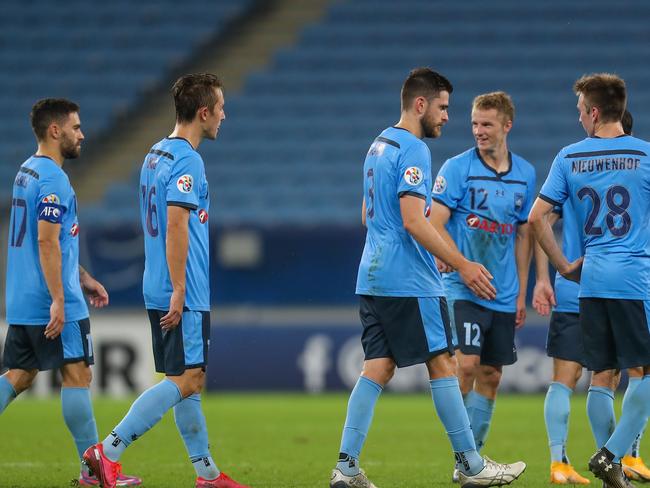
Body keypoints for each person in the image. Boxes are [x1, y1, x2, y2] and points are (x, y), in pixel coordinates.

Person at [330, 67, 526, 488]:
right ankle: (471, 465)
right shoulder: (414, 149)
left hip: (371, 275)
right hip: (409, 281)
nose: (446, 117)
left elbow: (368, 214)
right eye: (442, 107)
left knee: (378, 367)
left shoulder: (378, 145)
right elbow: (414, 222)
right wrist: (462, 263)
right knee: (443, 363)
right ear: (420, 105)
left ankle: (346, 467)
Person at [83, 74, 248, 488]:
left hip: (155, 281)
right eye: (221, 107)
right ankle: (108, 451)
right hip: (182, 287)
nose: (225, 115)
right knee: (187, 379)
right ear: (204, 111)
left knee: (188, 381)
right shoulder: (188, 159)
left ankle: (206, 474)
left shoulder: (155, 153)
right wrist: (180, 288)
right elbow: (176, 223)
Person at [0, 98, 141, 486]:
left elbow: (49, 242)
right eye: (76, 127)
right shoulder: (52, 180)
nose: (83, 134)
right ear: (55, 131)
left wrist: (81, 275)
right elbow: (46, 243)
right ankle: (92, 471)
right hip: (51, 299)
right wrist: (61, 297)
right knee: (78, 374)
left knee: (20, 375)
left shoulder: (26, 172)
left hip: (25, 298)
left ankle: (91, 469)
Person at [529, 73, 650, 488]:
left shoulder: (569, 158)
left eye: (581, 110)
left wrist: (563, 266)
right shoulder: (645, 156)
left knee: (602, 374)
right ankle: (611, 454)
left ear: (594, 112)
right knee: (644, 372)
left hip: (591, 281)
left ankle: (611, 473)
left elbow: (535, 218)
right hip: (634, 279)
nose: (579, 117)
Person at [429, 92, 535, 478]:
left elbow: (523, 236)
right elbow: (434, 220)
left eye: (487, 124)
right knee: (467, 366)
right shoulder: (457, 168)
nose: (478, 131)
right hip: (462, 287)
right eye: (474, 123)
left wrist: (522, 291)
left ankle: (470, 464)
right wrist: (460, 263)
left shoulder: (525, 173)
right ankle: (467, 458)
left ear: (507, 125)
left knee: (491, 374)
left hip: (504, 294)